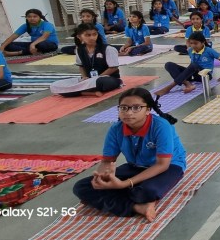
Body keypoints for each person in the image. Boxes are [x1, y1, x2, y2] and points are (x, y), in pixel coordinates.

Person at [72, 88, 185, 222]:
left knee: (147, 192)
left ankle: (124, 198)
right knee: (81, 187)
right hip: (136, 166)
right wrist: (102, 177)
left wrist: (124, 184)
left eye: (136, 108)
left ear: (148, 110)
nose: (128, 113)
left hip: (169, 166)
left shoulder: (161, 126)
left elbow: (162, 164)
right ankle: (138, 207)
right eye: (124, 108)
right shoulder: (116, 129)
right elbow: (107, 161)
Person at [59, 23, 122, 97]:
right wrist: (84, 77)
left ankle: (80, 91)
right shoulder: (79, 49)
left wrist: (98, 77)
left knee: (101, 82)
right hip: (88, 80)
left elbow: (113, 67)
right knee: (57, 85)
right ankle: (87, 92)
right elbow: (81, 66)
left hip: (105, 78)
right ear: (79, 37)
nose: (92, 37)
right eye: (88, 35)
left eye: (94, 34)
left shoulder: (108, 49)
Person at [156, 31, 220, 96]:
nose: (193, 45)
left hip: (204, 76)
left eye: (195, 43)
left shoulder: (209, 51)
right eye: (191, 43)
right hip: (193, 73)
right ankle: (187, 83)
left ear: (203, 42)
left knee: (194, 65)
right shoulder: (190, 50)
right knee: (168, 64)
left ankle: (168, 88)